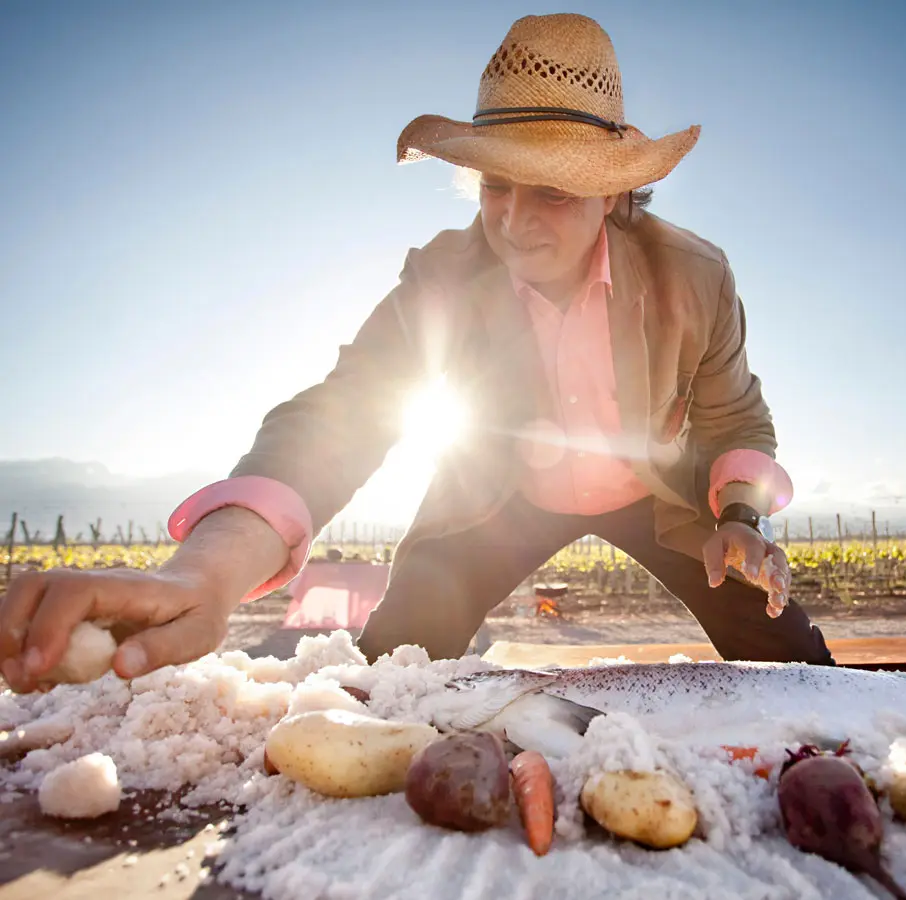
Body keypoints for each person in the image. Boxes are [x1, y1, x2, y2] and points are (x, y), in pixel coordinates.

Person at [0, 13, 835, 693]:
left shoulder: (695, 276)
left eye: (551, 190)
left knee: (796, 664)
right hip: (497, 497)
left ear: (613, 189)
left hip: (659, 499)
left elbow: (735, 416)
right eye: (496, 186)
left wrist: (738, 519)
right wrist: (205, 575)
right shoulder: (441, 275)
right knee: (393, 670)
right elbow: (344, 412)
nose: (513, 221)